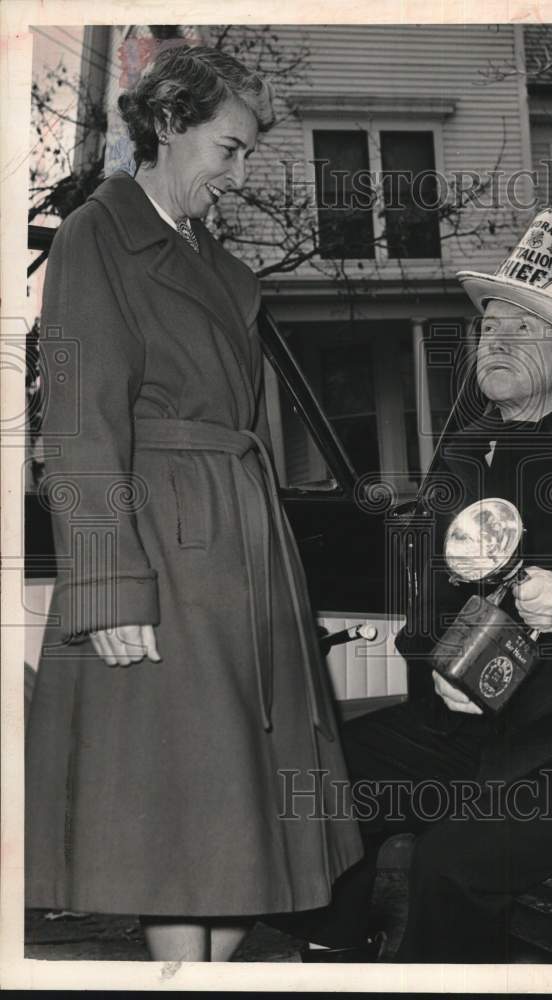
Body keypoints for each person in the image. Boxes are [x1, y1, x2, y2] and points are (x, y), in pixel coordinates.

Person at [279, 207, 552, 963]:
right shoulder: (466, 449)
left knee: (449, 868)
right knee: (321, 782)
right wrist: (438, 665)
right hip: (461, 730)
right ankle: (334, 953)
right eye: (489, 326)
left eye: (523, 328)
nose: (495, 341)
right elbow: (427, 601)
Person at [25, 44, 361, 962]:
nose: (239, 176)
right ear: (169, 125)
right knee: (179, 823)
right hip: (162, 559)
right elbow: (80, 425)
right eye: (229, 149)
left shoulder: (208, 258)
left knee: (237, 816)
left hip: (239, 552)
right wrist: (109, 588)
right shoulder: (98, 236)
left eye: (248, 153)